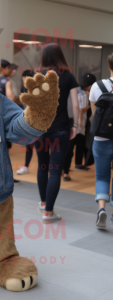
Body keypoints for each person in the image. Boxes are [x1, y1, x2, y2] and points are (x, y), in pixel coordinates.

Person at [35, 43, 79, 223]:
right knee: (55, 171)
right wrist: (75, 125)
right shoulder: (68, 75)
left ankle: (44, 203)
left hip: (39, 129)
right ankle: (49, 212)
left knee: (42, 167)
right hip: (61, 129)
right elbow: (75, 104)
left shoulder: (37, 74)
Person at [89, 52, 113, 228]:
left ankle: (102, 210)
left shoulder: (97, 86)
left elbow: (93, 116)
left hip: (101, 138)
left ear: (109, 65)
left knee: (102, 177)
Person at [0, 59, 20, 185]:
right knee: (3, 151)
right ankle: (5, 178)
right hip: (1, 121)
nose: (10, 71)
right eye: (9, 68)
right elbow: (11, 97)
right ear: (4, 68)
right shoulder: (7, 81)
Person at [63, 73, 96, 181]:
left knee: (74, 148)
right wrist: (78, 123)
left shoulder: (76, 91)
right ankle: (65, 172)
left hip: (76, 125)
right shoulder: (82, 94)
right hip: (77, 125)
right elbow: (80, 109)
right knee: (70, 149)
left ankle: (71, 167)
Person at [17, 69, 35, 175]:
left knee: (41, 145)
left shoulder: (33, 88)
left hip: (36, 122)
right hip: (28, 121)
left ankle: (51, 167)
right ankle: (26, 166)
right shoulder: (24, 88)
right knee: (30, 144)